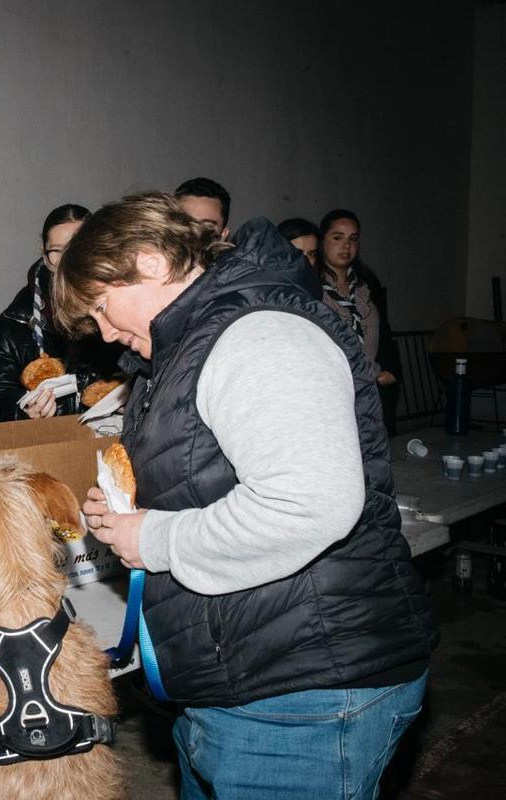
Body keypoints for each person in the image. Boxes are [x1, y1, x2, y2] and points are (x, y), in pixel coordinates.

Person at [55, 193, 436, 799]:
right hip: (246, 676)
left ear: (151, 262)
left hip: (304, 688)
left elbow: (307, 503)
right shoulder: (190, 347)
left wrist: (151, 536)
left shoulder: (257, 332)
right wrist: (130, 514)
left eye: (101, 306)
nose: (103, 331)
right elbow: (206, 482)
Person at [0, 203, 124, 420]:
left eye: (78, 248)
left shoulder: (121, 310)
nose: (67, 261)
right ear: (45, 255)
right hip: (47, 446)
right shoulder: (14, 322)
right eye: (57, 251)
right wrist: (23, 410)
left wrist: (129, 396)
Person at [317, 208, 401, 433]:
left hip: (372, 391)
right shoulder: (312, 287)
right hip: (333, 394)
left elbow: (384, 335)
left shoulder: (367, 284)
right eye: (337, 238)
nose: (346, 246)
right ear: (322, 240)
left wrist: (391, 371)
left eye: (353, 239)